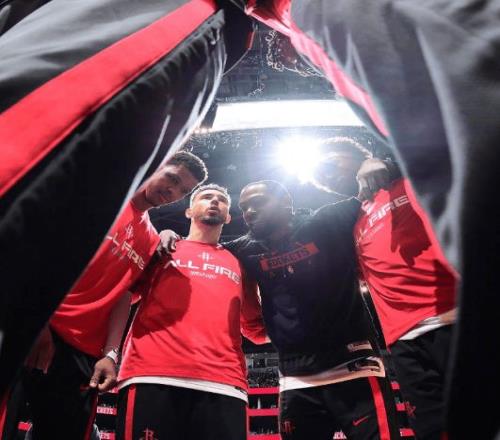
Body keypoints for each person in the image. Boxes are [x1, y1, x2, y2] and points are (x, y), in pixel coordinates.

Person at [1, 2, 499, 437]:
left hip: (295, 373)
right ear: (188, 206)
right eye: (193, 191)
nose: (221, 203)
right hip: (166, 374)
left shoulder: (295, 233)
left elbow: (251, 321)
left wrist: (376, 162)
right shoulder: (167, 242)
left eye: (230, 198)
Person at [0, 151, 207, 440]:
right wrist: (38, 318)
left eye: (183, 190)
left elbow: (123, 295)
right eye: (172, 178)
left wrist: (111, 353)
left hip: (82, 355)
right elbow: (38, 251)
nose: (172, 191)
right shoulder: (100, 196)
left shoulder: (150, 239)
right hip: (35, 328)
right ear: (158, 164)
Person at [222, 180, 405, 440]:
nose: (249, 211)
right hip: (295, 377)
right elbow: (200, 247)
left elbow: (378, 191)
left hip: (355, 365)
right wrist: (169, 236)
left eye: (258, 202)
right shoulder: (245, 249)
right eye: (244, 207)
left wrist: (379, 164)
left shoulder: (327, 221)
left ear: (286, 202)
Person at [311, 137, 457, 439]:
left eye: (329, 163)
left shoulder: (412, 180)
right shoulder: (355, 224)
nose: (326, 175)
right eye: (321, 178)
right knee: (433, 430)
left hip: (455, 316)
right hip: (403, 341)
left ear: (358, 155)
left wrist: (389, 162)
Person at [115, 184, 267, 440]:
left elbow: (256, 329)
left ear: (228, 217)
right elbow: (123, 295)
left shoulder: (240, 264)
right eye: (206, 197)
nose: (214, 201)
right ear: (188, 211)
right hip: (152, 374)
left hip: (224, 383)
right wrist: (110, 353)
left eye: (222, 200)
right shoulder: (160, 248)